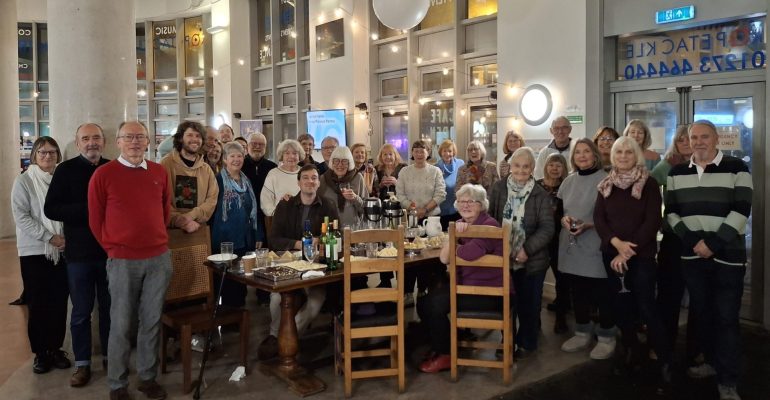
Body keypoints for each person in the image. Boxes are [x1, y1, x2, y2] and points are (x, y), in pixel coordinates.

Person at [665, 120, 752, 400]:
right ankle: (713, 363)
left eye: (705, 137)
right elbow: (672, 214)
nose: (699, 142)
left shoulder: (738, 168)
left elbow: (742, 211)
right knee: (703, 317)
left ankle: (728, 380)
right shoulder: (677, 172)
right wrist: (694, 243)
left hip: (728, 258)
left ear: (716, 140)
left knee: (726, 319)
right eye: (694, 137)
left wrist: (712, 244)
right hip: (692, 257)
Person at [88, 121, 172, 400]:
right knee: (121, 324)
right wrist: (114, 247)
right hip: (123, 261)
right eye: (129, 137)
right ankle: (117, 383)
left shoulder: (159, 172)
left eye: (140, 137)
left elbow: (164, 210)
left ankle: (147, 378)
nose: (135, 142)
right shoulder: (103, 174)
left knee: (151, 321)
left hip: (158, 259)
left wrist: (155, 240)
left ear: (148, 142)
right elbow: (95, 219)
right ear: (118, 141)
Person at [593, 137, 671, 392]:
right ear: (613, 156)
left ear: (636, 154)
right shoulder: (606, 184)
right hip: (612, 254)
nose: (624, 155)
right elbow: (599, 219)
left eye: (629, 151)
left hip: (641, 256)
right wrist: (616, 243)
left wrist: (627, 251)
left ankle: (662, 359)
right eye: (619, 152)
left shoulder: (648, 183)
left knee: (647, 308)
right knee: (621, 308)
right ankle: (632, 353)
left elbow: (652, 222)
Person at [44, 123, 110, 387]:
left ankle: (110, 356)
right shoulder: (65, 170)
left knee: (110, 309)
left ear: (104, 141)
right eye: (86, 138)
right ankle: (82, 364)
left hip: (109, 253)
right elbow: (52, 208)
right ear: (77, 142)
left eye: (96, 138)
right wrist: (90, 210)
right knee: (82, 312)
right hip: (79, 254)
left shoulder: (111, 168)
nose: (91, 142)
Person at [418, 184, 505, 373]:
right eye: (461, 201)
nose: (465, 205)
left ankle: (446, 355)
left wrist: (454, 238)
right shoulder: (464, 224)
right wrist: (454, 236)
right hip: (468, 287)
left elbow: (468, 253)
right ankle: (442, 344)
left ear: (481, 205)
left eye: (471, 201)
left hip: (490, 294)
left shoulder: (488, 226)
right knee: (424, 302)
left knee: (433, 304)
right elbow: (444, 259)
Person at [258, 164, 339, 360]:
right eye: (306, 178)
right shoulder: (285, 205)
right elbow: (274, 239)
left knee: (315, 302)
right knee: (277, 298)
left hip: (317, 266)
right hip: (289, 265)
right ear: (298, 182)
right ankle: (275, 335)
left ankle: (289, 339)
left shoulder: (328, 205)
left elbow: (334, 235)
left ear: (318, 183)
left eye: (314, 178)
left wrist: (322, 244)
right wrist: (301, 244)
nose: (310, 181)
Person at [12, 137, 70, 375]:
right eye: (43, 152)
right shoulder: (24, 181)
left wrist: (65, 238)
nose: (48, 156)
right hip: (35, 251)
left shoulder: (63, 180)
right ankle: (40, 353)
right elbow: (21, 215)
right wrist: (50, 238)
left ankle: (56, 349)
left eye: (52, 152)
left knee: (58, 303)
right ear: (34, 155)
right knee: (38, 304)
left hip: (63, 250)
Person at [489, 147, 554, 358]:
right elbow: (491, 219)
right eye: (517, 165)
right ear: (510, 166)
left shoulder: (540, 194)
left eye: (526, 166)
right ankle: (507, 340)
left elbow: (547, 228)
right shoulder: (498, 188)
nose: (521, 170)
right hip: (503, 258)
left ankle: (526, 342)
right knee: (506, 303)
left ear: (533, 168)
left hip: (532, 260)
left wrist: (526, 249)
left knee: (529, 304)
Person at [557, 138, 617, 360]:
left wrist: (590, 225)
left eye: (586, 152)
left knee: (602, 293)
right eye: (578, 152)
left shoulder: (606, 180)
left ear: (595, 155)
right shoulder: (568, 182)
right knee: (578, 291)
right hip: (572, 244)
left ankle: (606, 337)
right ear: (573, 158)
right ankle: (582, 332)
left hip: (596, 243)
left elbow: (613, 217)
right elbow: (560, 211)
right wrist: (564, 220)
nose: (582, 156)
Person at [651, 125, 699, 364]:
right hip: (673, 238)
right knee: (669, 296)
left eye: (689, 138)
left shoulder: (707, 164)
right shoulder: (667, 164)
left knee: (700, 298)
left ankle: (695, 351)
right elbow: (650, 188)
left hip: (700, 239)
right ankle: (662, 346)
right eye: (680, 138)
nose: (685, 142)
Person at [396, 140, 447, 305]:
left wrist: (424, 209)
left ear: (428, 152)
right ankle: (407, 292)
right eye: (416, 150)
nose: (419, 153)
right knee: (408, 256)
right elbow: (400, 194)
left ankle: (424, 290)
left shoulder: (435, 171)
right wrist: (412, 209)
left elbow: (441, 193)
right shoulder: (404, 171)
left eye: (422, 150)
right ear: (412, 153)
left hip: (431, 219)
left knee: (427, 255)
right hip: (409, 218)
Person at [210, 142, 260, 308]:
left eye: (239, 156)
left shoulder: (246, 181)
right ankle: (227, 320)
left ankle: (239, 318)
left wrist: (258, 234)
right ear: (225, 159)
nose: (236, 159)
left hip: (245, 238)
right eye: (232, 156)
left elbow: (254, 210)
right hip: (225, 239)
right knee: (226, 281)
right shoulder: (217, 181)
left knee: (241, 280)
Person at [160, 121, 218, 234]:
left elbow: (212, 200)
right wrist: (178, 220)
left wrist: (191, 216)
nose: (195, 139)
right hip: (171, 232)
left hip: (198, 228)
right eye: (190, 135)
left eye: (198, 136)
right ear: (181, 138)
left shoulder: (206, 169)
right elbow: (160, 198)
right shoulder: (165, 164)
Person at [536, 153, 570, 334]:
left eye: (559, 165)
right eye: (552, 165)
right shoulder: (536, 185)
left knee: (562, 280)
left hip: (559, 239)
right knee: (536, 279)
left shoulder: (568, 186)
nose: (555, 168)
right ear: (546, 166)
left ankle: (561, 317)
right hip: (539, 240)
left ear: (564, 168)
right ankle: (535, 319)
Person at [242, 132, 277, 248]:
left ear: (265, 147)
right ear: (247, 146)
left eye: (261, 144)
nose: (257, 147)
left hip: (266, 216)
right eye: (254, 144)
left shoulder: (272, 167)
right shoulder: (240, 165)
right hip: (245, 216)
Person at [318, 146, 367, 227]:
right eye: (336, 161)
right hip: (329, 229)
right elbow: (317, 206)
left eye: (344, 161)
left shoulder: (357, 178)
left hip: (353, 229)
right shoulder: (323, 179)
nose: (340, 165)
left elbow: (366, 208)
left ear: (349, 163)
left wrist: (355, 198)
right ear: (332, 163)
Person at [260, 139, 304, 217]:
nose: (291, 156)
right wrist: (276, 215)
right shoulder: (273, 174)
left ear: (299, 156)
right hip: (280, 219)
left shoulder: (305, 173)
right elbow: (265, 201)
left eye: (295, 153)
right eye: (287, 153)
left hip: (303, 218)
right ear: (281, 156)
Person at [435, 139, 464, 230]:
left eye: (450, 151)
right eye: (444, 151)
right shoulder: (436, 167)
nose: (447, 154)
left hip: (458, 209)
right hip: (442, 209)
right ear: (440, 152)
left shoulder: (461, 164)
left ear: (454, 152)